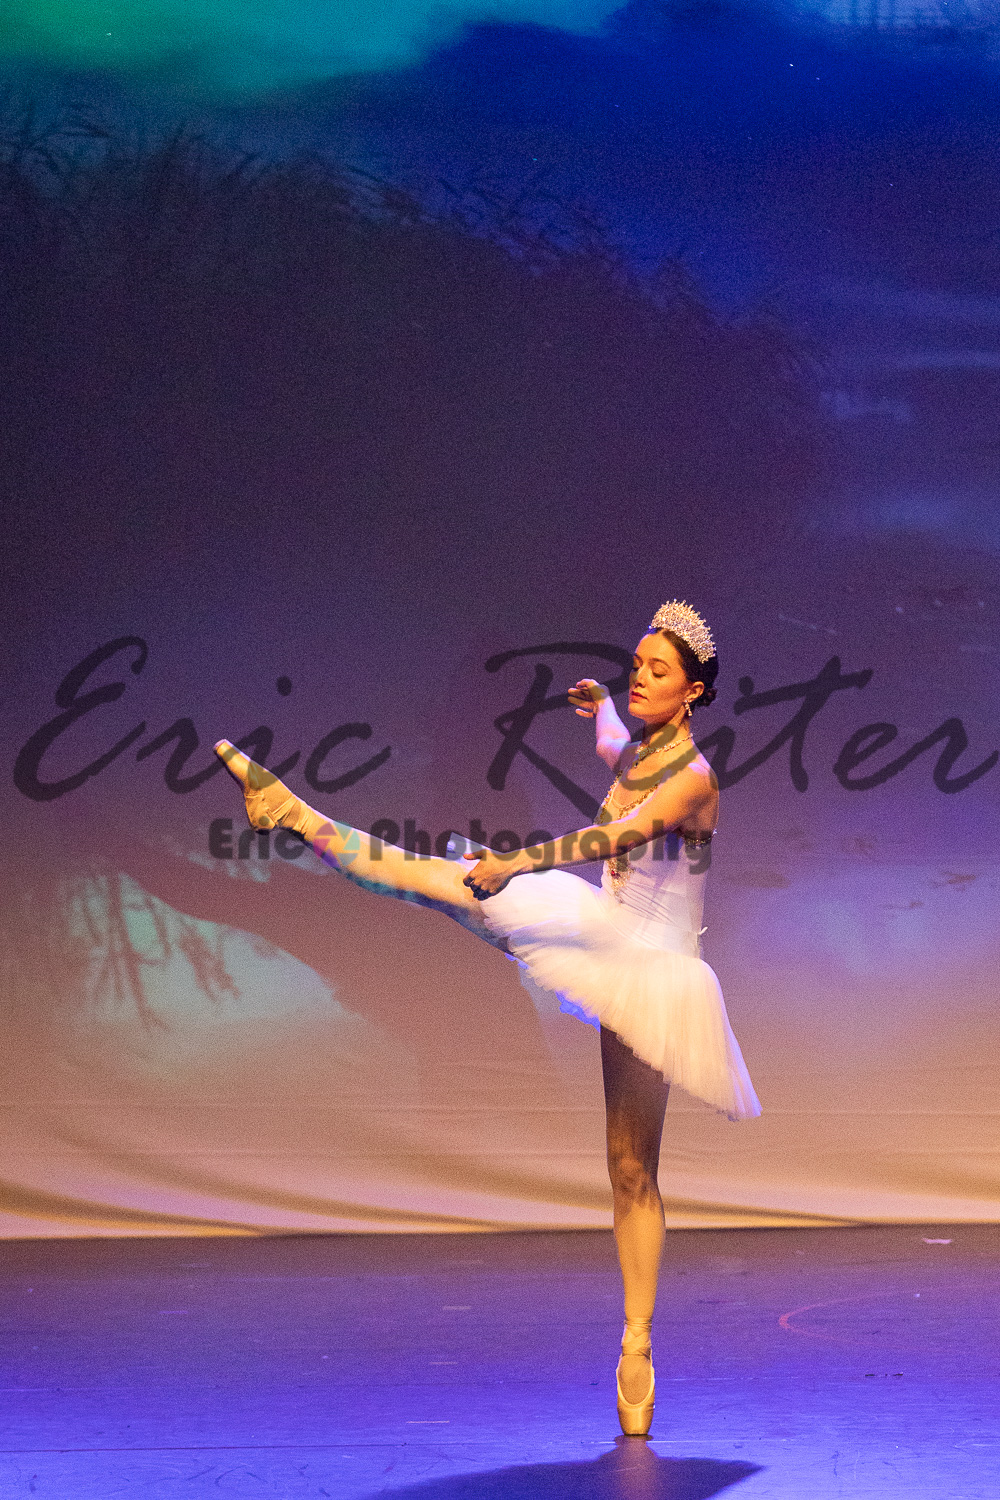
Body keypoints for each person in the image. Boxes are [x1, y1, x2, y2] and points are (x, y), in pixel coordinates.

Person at [213, 598, 760, 1437]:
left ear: (692, 692)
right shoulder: (643, 748)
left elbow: (613, 839)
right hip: (599, 928)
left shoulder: (694, 779)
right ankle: (291, 812)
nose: (639, 677)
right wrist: (602, 711)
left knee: (629, 1167)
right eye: (636, 665)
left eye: (657, 671)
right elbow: (617, 751)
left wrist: (516, 862)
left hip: (654, 970)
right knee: (431, 878)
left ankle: (637, 1342)